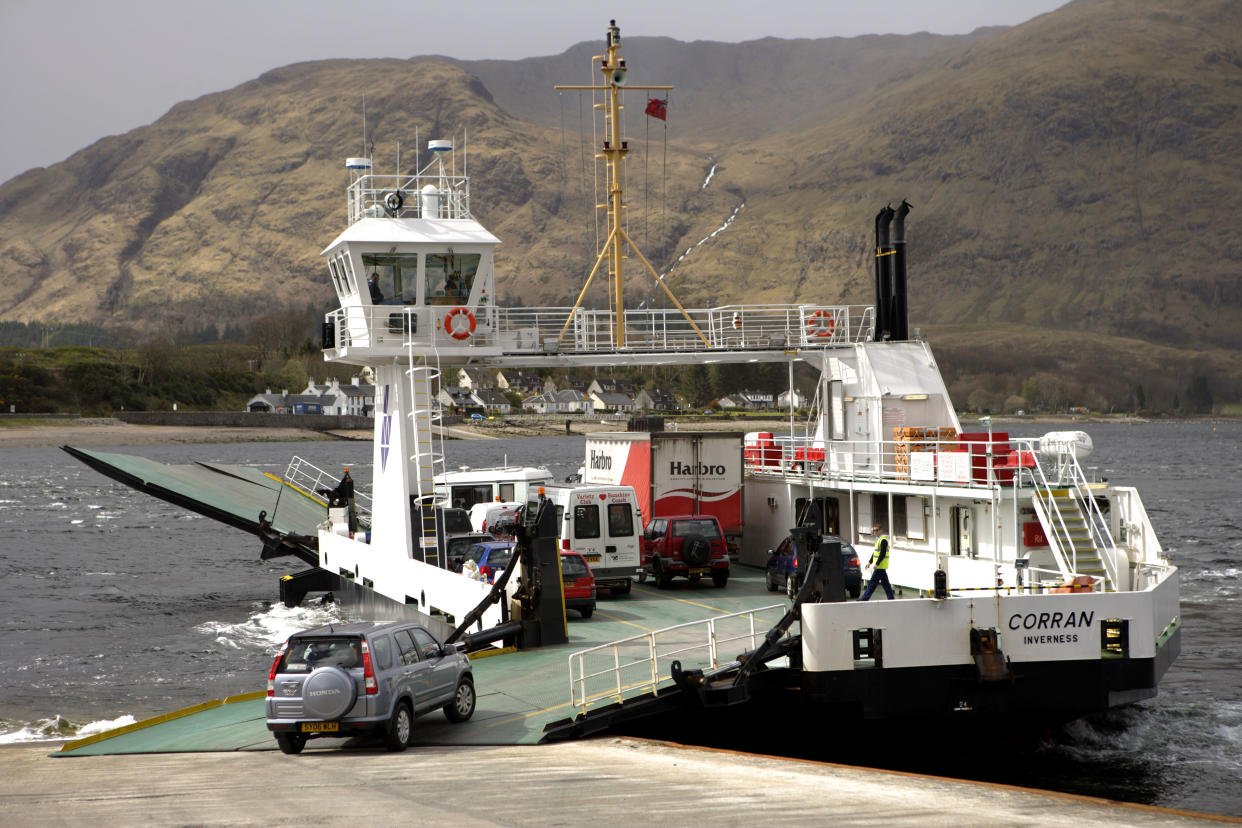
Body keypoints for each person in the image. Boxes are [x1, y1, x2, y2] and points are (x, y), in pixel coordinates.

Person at [860, 522, 895, 601]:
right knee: (885, 583)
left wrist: (877, 563)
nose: (875, 532)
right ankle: (891, 598)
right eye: (874, 530)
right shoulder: (878, 540)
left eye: (876, 530)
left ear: (880, 530)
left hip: (880, 565)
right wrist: (870, 562)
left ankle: (865, 598)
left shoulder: (883, 540)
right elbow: (875, 553)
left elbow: (882, 553)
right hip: (880, 566)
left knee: (873, 582)